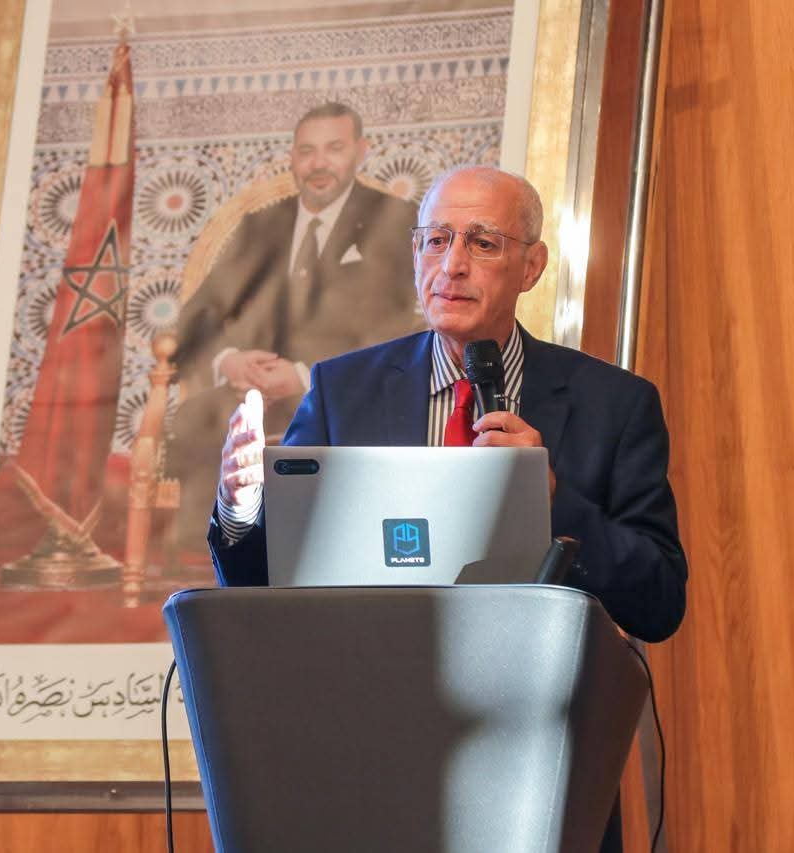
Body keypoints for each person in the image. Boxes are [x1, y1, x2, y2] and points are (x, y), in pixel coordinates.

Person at [209, 164, 686, 853]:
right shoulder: (344, 392)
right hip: (366, 761)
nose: (452, 264)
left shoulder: (614, 405)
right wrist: (240, 507)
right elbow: (269, 584)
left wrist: (554, 499)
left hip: (538, 769)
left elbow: (660, 600)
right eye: (435, 240)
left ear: (531, 267)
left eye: (482, 242)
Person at [166, 102, 423, 552]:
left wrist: (305, 376)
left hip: (344, 394)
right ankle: (211, 561)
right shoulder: (259, 227)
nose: (319, 163)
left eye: (334, 148)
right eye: (307, 151)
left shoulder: (397, 221)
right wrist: (230, 361)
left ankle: (316, 560)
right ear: (292, 157)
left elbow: (405, 327)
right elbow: (198, 316)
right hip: (249, 398)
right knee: (198, 419)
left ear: (361, 151)